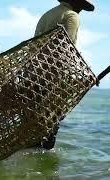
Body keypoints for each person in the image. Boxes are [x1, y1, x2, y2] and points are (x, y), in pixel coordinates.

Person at [34, 0, 95, 149]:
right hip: (54, 78)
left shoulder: (47, 15)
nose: (81, 9)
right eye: (81, 5)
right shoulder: (72, 16)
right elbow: (65, 49)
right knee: (48, 135)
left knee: (34, 124)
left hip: (35, 74)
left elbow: (35, 46)